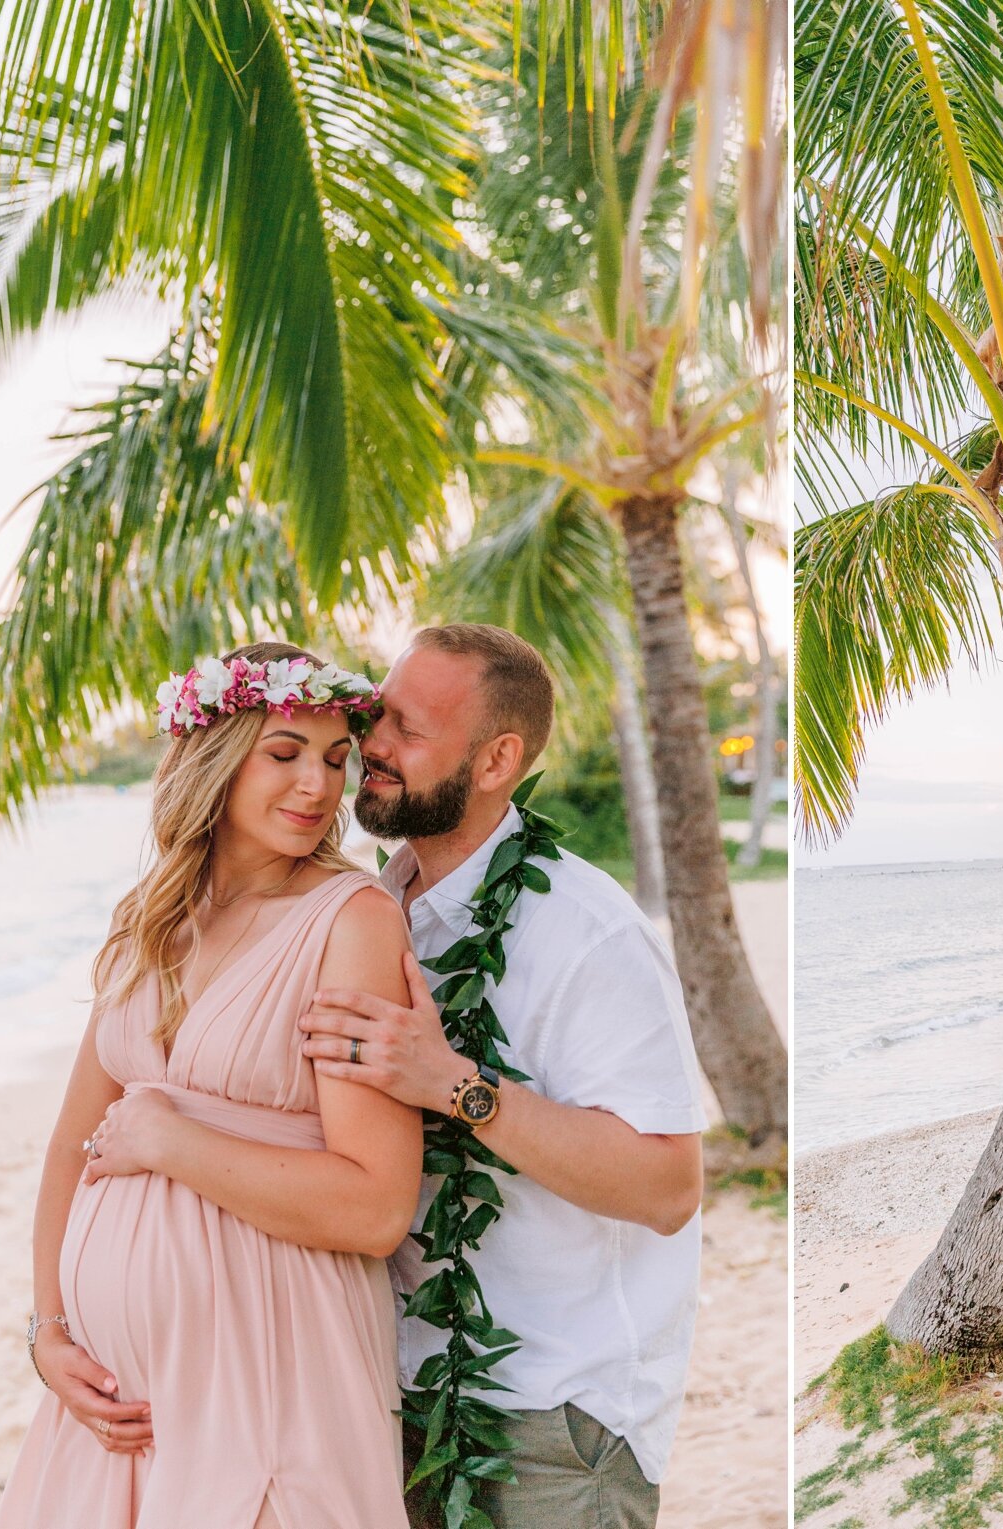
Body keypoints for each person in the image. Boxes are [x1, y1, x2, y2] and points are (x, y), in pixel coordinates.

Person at [0, 642, 421, 1527]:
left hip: (273, 1371)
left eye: (337, 760)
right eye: (285, 753)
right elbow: (69, 1149)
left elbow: (375, 1206)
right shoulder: (148, 922)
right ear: (214, 758)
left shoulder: (350, 921)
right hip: (116, 1408)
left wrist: (173, 1141)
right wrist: (49, 1335)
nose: (318, 786)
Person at [299, 624, 707, 1529]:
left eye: (408, 728)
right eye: (378, 716)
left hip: (553, 1419)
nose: (373, 745)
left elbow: (669, 1183)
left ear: (496, 761)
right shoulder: (370, 909)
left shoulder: (586, 930)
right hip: (399, 1387)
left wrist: (454, 1084)